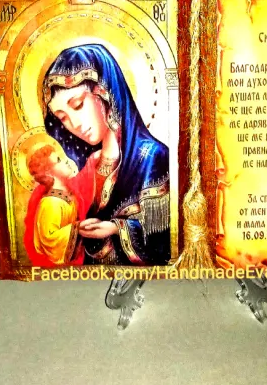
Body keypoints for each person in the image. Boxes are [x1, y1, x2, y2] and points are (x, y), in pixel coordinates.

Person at [42, 43, 170, 266]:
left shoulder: (152, 158)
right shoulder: (89, 164)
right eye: (62, 117)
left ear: (106, 94)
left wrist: (115, 229)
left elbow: (166, 239)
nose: (74, 124)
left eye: (78, 105)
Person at [23, 138, 96, 266]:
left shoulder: (69, 194)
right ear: (48, 173)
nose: (66, 161)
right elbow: (49, 239)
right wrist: (78, 228)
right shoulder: (50, 203)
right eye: (59, 160)